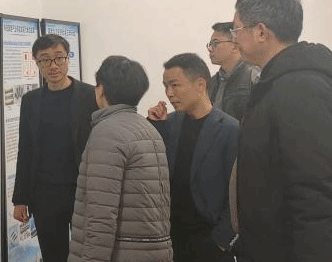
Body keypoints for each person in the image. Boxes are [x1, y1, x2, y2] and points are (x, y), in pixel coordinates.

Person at [230, 0, 332, 261]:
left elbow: (316, 198)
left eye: (236, 29)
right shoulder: (277, 84)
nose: (234, 39)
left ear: (261, 32)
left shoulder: (301, 88)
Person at [69, 55, 172, 261]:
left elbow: (100, 216)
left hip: (122, 253)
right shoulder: (148, 128)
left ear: (101, 90)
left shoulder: (107, 132)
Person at [11, 34, 98, 261]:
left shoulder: (90, 95)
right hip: (45, 194)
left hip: (82, 190)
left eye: (59, 57)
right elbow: (25, 149)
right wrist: (20, 198)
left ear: (68, 58)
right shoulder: (31, 101)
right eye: (45, 59)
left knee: (87, 254)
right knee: (53, 255)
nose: (53, 65)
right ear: (37, 63)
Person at [148, 53, 238, 261]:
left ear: (200, 85)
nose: (169, 93)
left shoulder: (230, 129)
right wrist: (155, 127)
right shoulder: (168, 123)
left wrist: (220, 242)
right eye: (166, 86)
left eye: (175, 85)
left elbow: (238, 193)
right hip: (171, 239)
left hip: (210, 243)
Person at [206, 22, 258, 121]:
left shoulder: (254, 76)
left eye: (215, 43)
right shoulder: (212, 83)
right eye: (210, 44)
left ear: (235, 46)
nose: (210, 49)